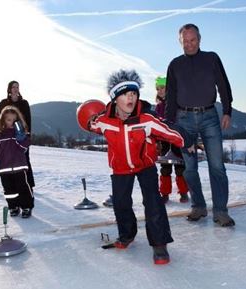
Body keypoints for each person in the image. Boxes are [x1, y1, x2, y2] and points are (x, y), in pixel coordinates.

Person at [89, 69, 194, 265]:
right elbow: (91, 123)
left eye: (134, 93)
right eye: (125, 94)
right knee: (121, 203)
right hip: (120, 168)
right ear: (114, 99)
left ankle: (159, 243)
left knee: (153, 202)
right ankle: (126, 235)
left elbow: (168, 130)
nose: (131, 97)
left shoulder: (146, 119)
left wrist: (185, 140)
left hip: (145, 165)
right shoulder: (105, 121)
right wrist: (88, 119)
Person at [165, 23, 235, 227]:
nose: (189, 44)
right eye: (185, 41)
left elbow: (223, 85)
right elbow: (170, 96)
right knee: (189, 169)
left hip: (210, 117)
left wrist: (228, 111)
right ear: (180, 42)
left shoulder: (211, 58)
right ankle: (198, 206)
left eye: (192, 40)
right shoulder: (175, 65)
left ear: (200, 39)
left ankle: (221, 211)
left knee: (217, 167)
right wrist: (171, 126)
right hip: (184, 120)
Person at [0, 80, 35, 190]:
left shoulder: (24, 103)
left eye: (17, 87)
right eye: (13, 87)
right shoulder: (4, 103)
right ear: (9, 89)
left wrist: (26, 135)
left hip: (19, 136)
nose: (15, 89)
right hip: (6, 135)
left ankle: (29, 186)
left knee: (25, 159)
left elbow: (28, 120)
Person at [0, 106, 34, 218]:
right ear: (3, 120)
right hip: (4, 169)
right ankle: (13, 207)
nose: (12, 122)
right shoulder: (0, 136)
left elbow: (25, 147)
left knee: (22, 187)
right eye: (9, 120)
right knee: (9, 190)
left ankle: (26, 207)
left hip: (19, 167)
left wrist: (21, 137)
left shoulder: (20, 135)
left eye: (14, 120)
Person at [154, 76, 189, 204]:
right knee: (165, 168)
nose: (159, 90)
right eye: (157, 89)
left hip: (176, 139)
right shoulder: (158, 107)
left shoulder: (176, 103)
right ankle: (164, 193)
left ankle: (184, 192)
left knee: (180, 168)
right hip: (164, 140)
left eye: (162, 87)